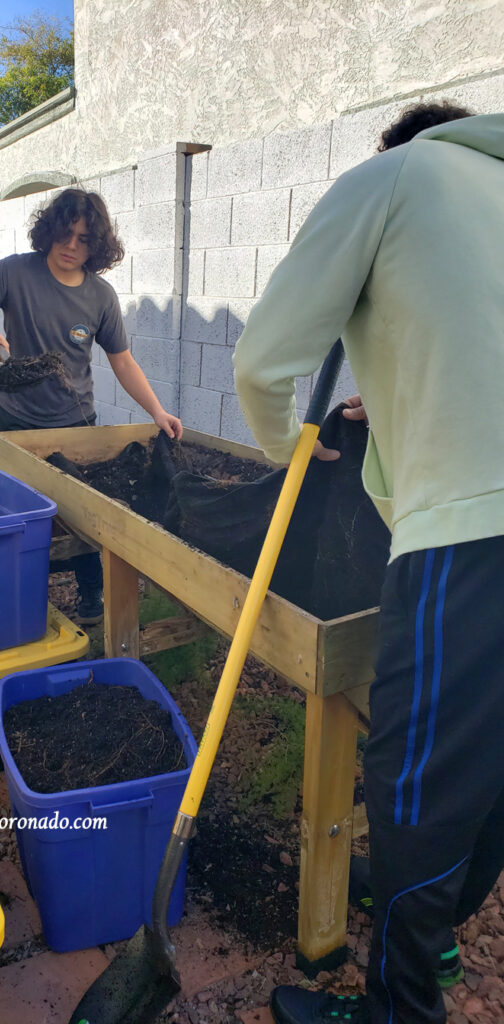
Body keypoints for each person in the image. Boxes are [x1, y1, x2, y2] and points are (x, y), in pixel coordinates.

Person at [233, 100, 504, 1024]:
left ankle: (399, 1008)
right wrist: (387, 405)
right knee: (495, 757)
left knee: (420, 776)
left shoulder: (392, 180)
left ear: (401, 145)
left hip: (475, 539)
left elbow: (263, 367)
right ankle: (438, 923)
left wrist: (288, 449)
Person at [0, 187, 183, 624]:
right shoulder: (14, 274)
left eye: (84, 239)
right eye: (65, 233)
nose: (72, 246)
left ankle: (92, 596)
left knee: (86, 519)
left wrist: (157, 411)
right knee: (16, 519)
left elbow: (123, 361)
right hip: (16, 424)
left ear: (97, 246)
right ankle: (24, 594)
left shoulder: (100, 297)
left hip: (77, 424)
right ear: (49, 230)